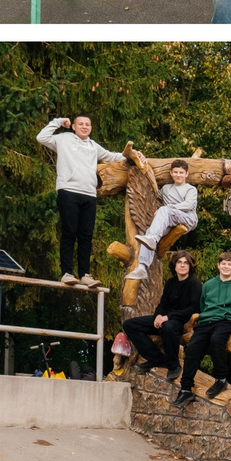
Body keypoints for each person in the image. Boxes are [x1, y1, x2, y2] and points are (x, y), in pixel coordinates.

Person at [37, 113, 112, 287]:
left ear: (91, 128)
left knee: (86, 235)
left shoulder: (94, 146)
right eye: (81, 124)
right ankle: (67, 273)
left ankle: (85, 274)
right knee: (70, 232)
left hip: (89, 194)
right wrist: (57, 122)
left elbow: (111, 156)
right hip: (68, 190)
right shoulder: (64, 140)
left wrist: (133, 156)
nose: (85, 126)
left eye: (88, 124)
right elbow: (41, 137)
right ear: (74, 126)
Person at [175, 250, 231, 408]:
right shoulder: (209, 285)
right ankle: (185, 388)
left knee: (217, 340)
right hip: (207, 321)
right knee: (193, 350)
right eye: (223, 263)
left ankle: (221, 379)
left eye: (230, 264)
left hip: (227, 321)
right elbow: (203, 305)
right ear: (218, 265)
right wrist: (204, 318)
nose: (226, 266)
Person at [122, 250, 198, 380]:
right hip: (164, 318)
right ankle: (156, 358)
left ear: (190, 266)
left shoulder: (194, 283)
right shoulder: (170, 282)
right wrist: (158, 316)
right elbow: (163, 304)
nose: (182, 265)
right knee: (130, 325)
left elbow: (194, 307)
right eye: (179, 262)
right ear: (174, 265)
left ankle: (174, 365)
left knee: (168, 327)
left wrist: (167, 317)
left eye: (186, 263)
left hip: (180, 320)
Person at [125, 154, 201, 282]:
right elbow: (155, 194)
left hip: (187, 218)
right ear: (171, 173)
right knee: (149, 232)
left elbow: (189, 205)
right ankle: (142, 267)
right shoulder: (166, 188)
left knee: (164, 211)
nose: (178, 175)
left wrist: (168, 208)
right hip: (170, 219)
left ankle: (152, 239)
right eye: (175, 172)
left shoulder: (190, 189)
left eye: (181, 173)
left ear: (186, 174)